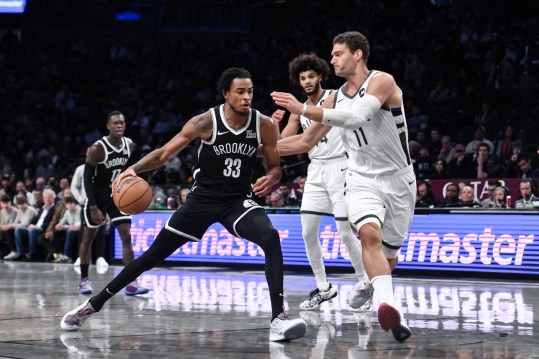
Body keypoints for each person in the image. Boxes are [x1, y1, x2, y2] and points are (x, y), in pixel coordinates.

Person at [61, 68, 307, 342]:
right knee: (150, 257)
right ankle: (90, 306)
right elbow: (164, 153)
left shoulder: (264, 125)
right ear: (225, 94)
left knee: (271, 238)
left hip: (237, 201)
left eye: (250, 91)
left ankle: (278, 320)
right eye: (240, 91)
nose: (247, 97)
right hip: (201, 200)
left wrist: (271, 179)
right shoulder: (205, 122)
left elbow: (274, 167)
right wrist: (134, 169)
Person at [271, 31, 414, 342]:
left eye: (337, 54)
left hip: (400, 178)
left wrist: (302, 109)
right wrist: (261, 147)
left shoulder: (382, 81)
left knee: (388, 256)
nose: (332, 59)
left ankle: (368, 285)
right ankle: (390, 305)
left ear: (357, 54)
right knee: (367, 234)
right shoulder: (334, 97)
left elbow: (356, 116)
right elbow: (307, 140)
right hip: (360, 177)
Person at [272, 53, 366, 311]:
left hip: (342, 166)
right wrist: (270, 131)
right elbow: (282, 144)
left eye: (311, 76)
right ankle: (324, 288)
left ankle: (364, 284)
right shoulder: (296, 112)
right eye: (302, 78)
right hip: (316, 171)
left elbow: (305, 141)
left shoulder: (335, 96)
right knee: (307, 231)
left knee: (346, 233)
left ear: (321, 76)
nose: (307, 81)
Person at [76, 111, 148, 296]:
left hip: (118, 196)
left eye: (122, 123)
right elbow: (87, 178)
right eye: (115, 123)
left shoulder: (130, 145)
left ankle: (131, 282)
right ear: (108, 125)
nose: (119, 125)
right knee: (88, 237)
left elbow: (131, 167)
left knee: (126, 235)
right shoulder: (97, 149)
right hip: (97, 198)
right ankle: (84, 280)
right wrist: (92, 206)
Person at [71, 148, 109, 271]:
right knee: (84, 232)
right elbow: (74, 186)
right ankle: (81, 257)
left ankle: (100, 257)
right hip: (86, 204)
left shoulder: (105, 168)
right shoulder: (80, 169)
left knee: (101, 230)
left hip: (101, 203)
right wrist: (81, 199)